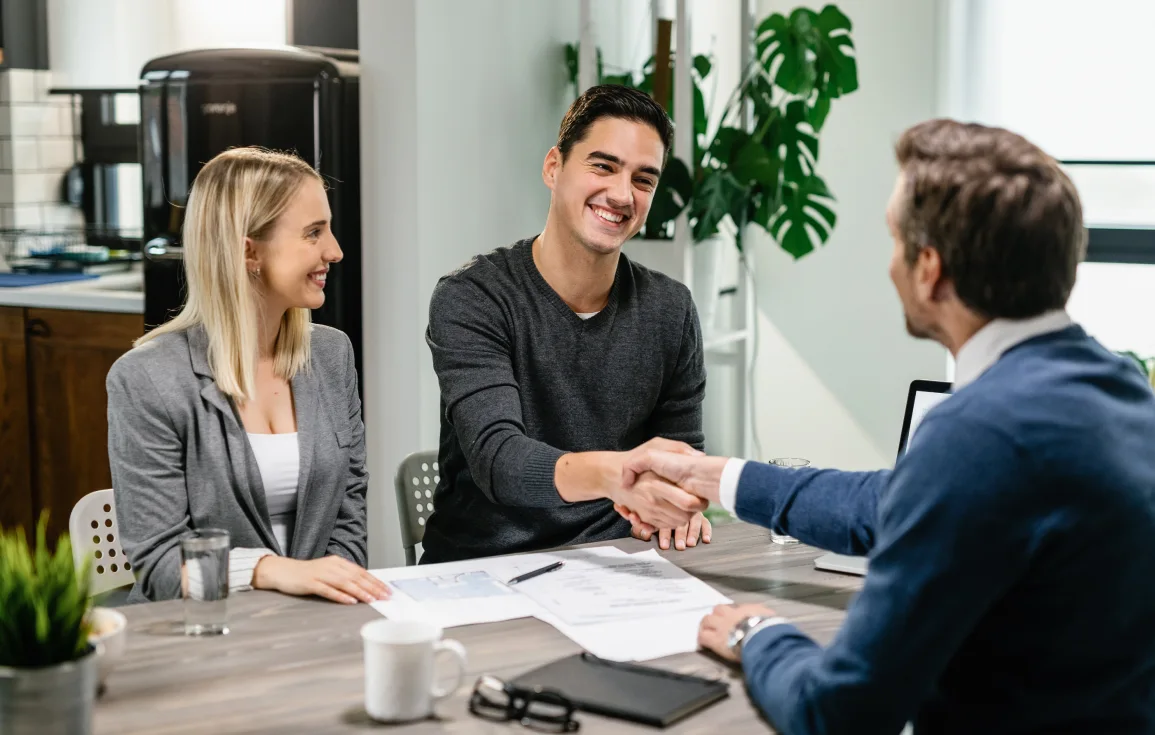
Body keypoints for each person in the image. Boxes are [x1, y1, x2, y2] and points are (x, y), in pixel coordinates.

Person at [618, 120, 1155, 734]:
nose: (891, 265)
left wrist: (756, 634)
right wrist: (714, 476)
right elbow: (894, 502)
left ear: (929, 269)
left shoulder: (979, 435)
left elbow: (839, 714)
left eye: (895, 241)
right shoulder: (1119, 386)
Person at [422, 84, 711, 563]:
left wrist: (682, 500)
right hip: (486, 570)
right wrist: (622, 475)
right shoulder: (473, 298)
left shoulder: (670, 308)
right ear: (553, 167)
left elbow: (679, 457)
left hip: (623, 563)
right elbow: (501, 462)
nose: (621, 194)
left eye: (644, 180)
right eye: (603, 166)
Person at [107, 147, 389, 606]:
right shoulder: (147, 379)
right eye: (313, 233)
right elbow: (160, 568)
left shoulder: (332, 355)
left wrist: (321, 606)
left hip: (316, 629)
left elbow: (349, 513)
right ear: (248, 250)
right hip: (200, 634)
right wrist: (271, 571)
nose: (334, 251)